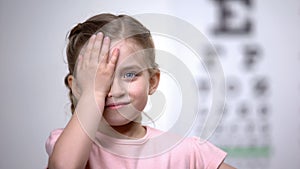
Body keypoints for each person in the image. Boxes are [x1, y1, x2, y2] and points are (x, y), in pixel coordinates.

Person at [46, 13, 235, 169]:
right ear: (76, 87)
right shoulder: (66, 145)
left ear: (152, 81)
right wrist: (94, 94)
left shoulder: (186, 153)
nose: (116, 90)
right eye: (99, 79)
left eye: (129, 75)